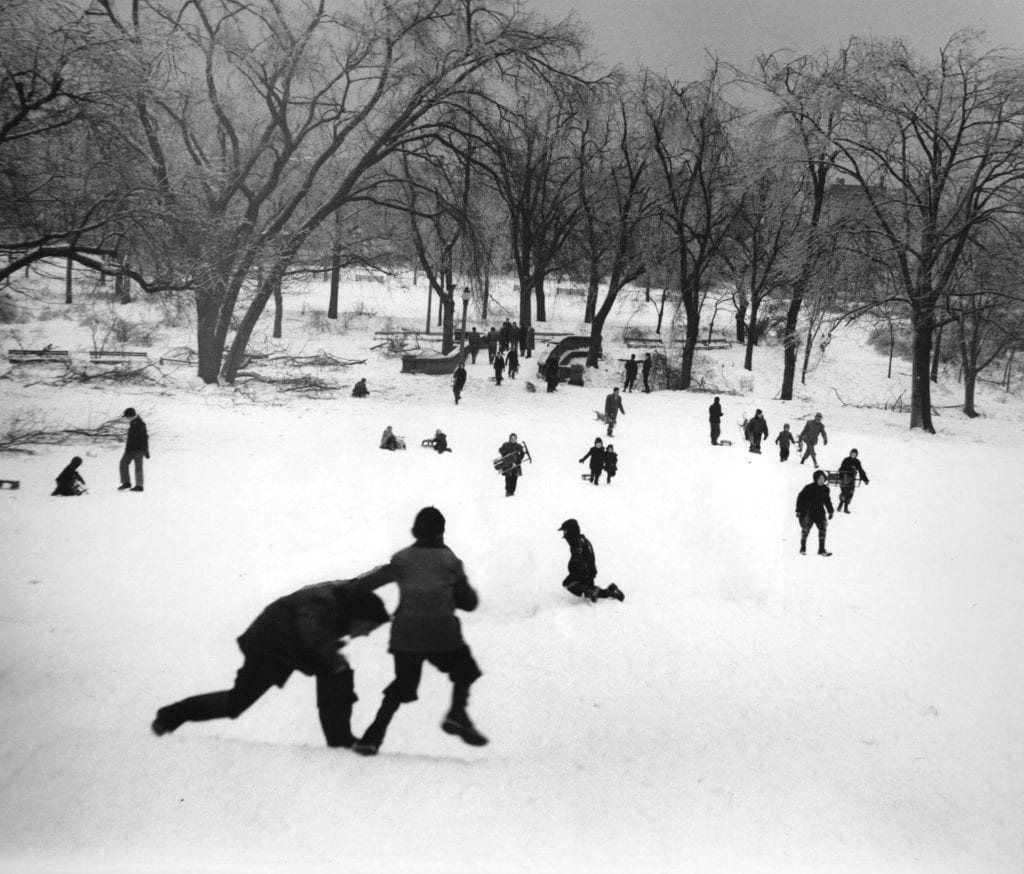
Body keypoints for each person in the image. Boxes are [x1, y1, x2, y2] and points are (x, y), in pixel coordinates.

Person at [151, 584, 390, 748]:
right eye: (369, 627)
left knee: (336, 671)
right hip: (268, 646)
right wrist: (329, 653)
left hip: (286, 646)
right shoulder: (325, 603)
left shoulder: (340, 606)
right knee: (236, 703)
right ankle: (169, 716)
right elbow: (309, 626)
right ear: (360, 616)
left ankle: (340, 740)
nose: (367, 634)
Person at [347, 507, 487, 756]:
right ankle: (457, 713)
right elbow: (469, 603)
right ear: (442, 531)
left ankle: (373, 736)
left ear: (415, 531)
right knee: (465, 671)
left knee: (403, 683)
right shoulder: (451, 561)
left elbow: (363, 586)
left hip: (406, 635)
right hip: (442, 634)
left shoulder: (401, 559)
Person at [558, 519, 624, 603]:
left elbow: (577, 557)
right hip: (589, 571)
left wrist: (576, 570)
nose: (564, 534)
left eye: (565, 531)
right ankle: (610, 591)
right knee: (588, 592)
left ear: (571, 530)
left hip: (584, 572)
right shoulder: (583, 540)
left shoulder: (577, 542)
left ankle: (593, 591)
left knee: (567, 583)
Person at [795, 470, 834, 556]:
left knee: (823, 528)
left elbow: (827, 500)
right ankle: (803, 548)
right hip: (808, 511)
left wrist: (830, 511)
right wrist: (798, 510)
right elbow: (800, 498)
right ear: (816, 479)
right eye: (819, 478)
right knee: (806, 529)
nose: (821, 480)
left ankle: (821, 549)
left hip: (819, 512)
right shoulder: (808, 488)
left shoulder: (826, 489)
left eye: (823, 478)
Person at [118, 407, 149, 492]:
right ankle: (126, 483)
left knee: (138, 467)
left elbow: (144, 437)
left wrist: (145, 450)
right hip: (129, 449)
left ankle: (139, 485)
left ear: (131, 416)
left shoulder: (140, 423)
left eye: (127, 417)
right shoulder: (132, 423)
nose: (126, 418)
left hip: (138, 450)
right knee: (123, 464)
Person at [837, 449, 870, 513]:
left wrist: (865, 479)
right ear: (850, 453)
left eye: (854, 454)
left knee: (850, 493)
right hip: (844, 478)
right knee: (844, 493)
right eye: (852, 453)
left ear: (856, 455)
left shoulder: (857, 462)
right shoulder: (846, 460)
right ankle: (841, 506)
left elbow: (861, 470)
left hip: (852, 479)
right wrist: (841, 477)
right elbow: (841, 468)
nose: (853, 455)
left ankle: (844, 508)